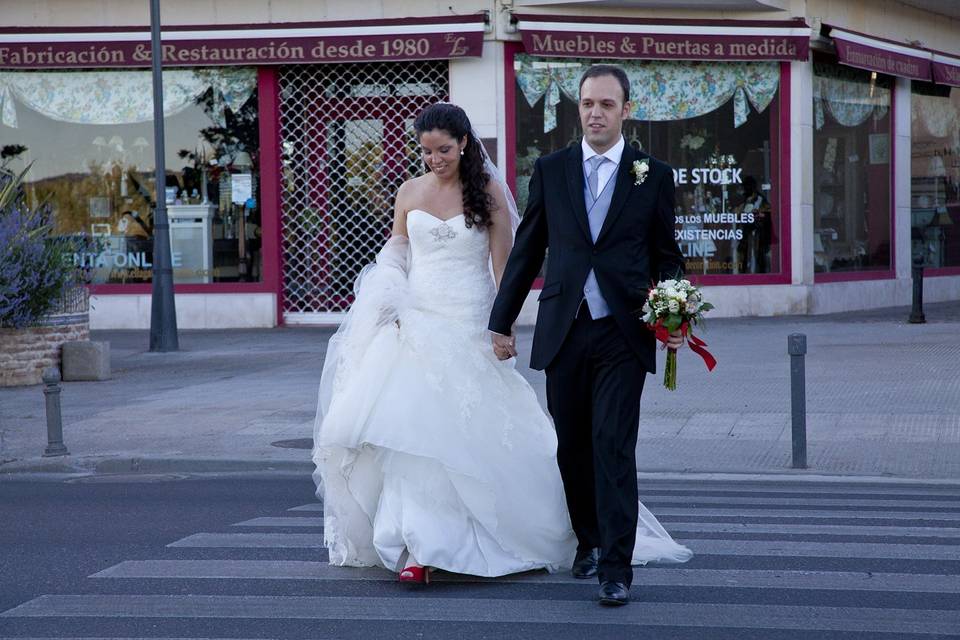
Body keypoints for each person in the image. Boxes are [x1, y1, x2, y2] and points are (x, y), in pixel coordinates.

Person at [313, 102, 691, 594]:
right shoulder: (408, 193)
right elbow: (397, 255)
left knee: (563, 442)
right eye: (426, 151)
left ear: (464, 143)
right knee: (414, 439)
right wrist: (387, 298)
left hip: (471, 322)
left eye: (443, 149)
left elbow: (508, 265)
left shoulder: (488, 192)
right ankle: (417, 544)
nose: (434, 159)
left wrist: (501, 325)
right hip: (417, 324)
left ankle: (598, 551)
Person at [489, 64, 689, 606]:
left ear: (626, 110)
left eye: (606, 104)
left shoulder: (654, 174)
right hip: (564, 328)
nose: (595, 113)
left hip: (624, 330)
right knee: (572, 447)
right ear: (577, 109)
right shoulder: (551, 171)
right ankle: (589, 538)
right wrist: (500, 320)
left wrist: (675, 317)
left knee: (613, 446)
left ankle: (617, 569)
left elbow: (666, 256)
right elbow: (529, 247)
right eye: (586, 104)